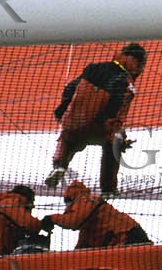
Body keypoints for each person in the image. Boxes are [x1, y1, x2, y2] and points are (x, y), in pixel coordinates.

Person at [45, 42, 146, 196]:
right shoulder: (127, 83)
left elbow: (70, 89)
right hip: (99, 127)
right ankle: (108, 188)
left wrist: (63, 111)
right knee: (114, 144)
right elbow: (117, 111)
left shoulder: (93, 68)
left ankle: (59, 165)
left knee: (68, 137)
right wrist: (120, 137)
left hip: (75, 122)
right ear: (138, 63)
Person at [45, 180, 151, 250]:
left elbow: (73, 221)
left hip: (127, 236)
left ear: (70, 198)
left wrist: (51, 218)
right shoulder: (88, 224)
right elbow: (82, 248)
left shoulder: (85, 199)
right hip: (127, 236)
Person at [0, 184, 44, 256]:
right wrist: (45, 223)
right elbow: (31, 224)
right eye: (32, 201)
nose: (33, 205)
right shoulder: (11, 203)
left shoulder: (4, 202)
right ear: (27, 197)